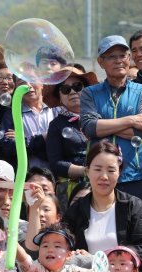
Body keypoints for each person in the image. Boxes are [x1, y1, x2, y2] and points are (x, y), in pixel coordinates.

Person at [81, 35, 142, 200]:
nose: (118, 60)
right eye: (112, 56)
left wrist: (103, 126)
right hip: (100, 176)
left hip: (135, 176)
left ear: (129, 59)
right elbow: (90, 128)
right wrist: (131, 120)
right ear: (101, 62)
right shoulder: (89, 93)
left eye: (122, 55)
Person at [63, 140, 142, 272]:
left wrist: (100, 263)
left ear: (119, 172)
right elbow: (64, 248)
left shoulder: (134, 207)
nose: (104, 177)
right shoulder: (76, 210)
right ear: (87, 171)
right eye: (97, 169)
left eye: (111, 170)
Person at [43, 67, 99, 209]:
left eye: (77, 87)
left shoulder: (101, 117)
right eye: (66, 89)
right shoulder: (56, 125)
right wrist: (86, 171)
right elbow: (56, 163)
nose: (73, 92)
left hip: (101, 183)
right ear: (60, 98)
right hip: (69, 190)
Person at [0, 77, 58, 170]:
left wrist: (23, 139)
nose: (28, 86)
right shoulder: (12, 114)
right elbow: (8, 146)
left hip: (59, 175)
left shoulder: (56, 111)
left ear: (42, 84)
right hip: (26, 176)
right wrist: (44, 138)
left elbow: (62, 143)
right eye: (22, 83)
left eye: (32, 81)